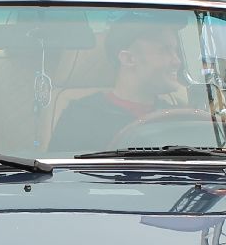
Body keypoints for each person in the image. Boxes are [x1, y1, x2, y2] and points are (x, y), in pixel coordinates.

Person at [49, 15, 185, 153]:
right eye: (164, 50)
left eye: (175, 51)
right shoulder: (80, 117)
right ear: (128, 59)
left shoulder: (178, 116)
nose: (177, 61)